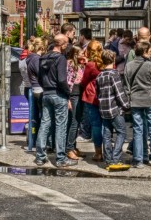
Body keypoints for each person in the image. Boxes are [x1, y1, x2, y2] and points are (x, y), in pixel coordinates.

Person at [35, 34, 76, 167]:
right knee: (61, 126)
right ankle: (60, 158)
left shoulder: (43, 57)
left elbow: (39, 77)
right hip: (58, 94)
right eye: (66, 44)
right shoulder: (61, 58)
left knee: (45, 124)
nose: (67, 46)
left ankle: (40, 156)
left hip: (46, 93)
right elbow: (62, 79)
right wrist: (67, 92)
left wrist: (45, 87)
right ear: (62, 44)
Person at [125, 41, 151, 168]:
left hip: (135, 101)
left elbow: (127, 86)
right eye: (149, 51)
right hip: (150, 100)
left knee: (138, 129)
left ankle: (139, 159)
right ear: (143, 52)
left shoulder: (129, 66)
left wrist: (129, 99)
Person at [96, 49, 131, 170]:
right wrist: (126, 105)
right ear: (114, 60)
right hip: (114, 108)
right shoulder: (114, 74)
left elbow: (98, 93)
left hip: (103, 109)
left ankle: (108, 159)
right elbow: (119, 92)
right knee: (121, 132)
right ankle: (116, 158)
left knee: (106, 134)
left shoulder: (99, 75)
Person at [79, 39, 104, 162]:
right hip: (105, 97)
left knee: (95, 124)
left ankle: (98, 152)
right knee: (106, 124)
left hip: (92, 96)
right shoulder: (108, 62)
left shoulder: (90, 65)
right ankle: (108, 150)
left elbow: (84, 81)